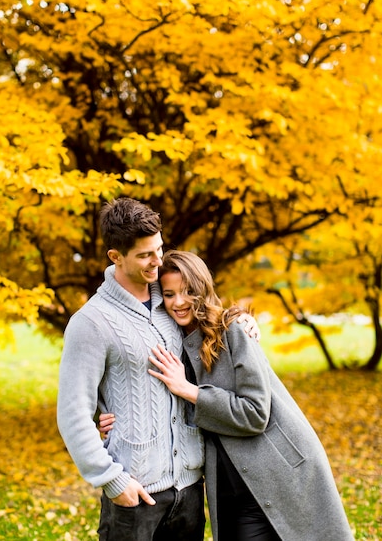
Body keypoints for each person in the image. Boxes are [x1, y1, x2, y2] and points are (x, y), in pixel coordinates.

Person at [101, 250, 354, 541]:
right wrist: (113, 419)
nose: (179, 302)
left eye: (188, 292)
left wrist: (191, 391)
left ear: (203, 288)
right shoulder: (174, 341)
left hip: (276, 471)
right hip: (227, 481)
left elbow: (256, 413)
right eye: (169, 294)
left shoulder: (233, 330)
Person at [57, 197, 258, 541]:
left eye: (160, 249)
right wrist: (113, 481)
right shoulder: (90, 322)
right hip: (136, 495)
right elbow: (73, 414)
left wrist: (241, 320)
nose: (157, 261)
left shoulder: (171, 299)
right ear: (115, 257)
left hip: (190, 489)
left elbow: (211, 320)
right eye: (145, 255)